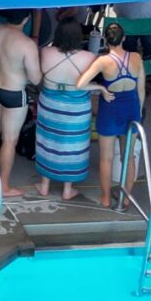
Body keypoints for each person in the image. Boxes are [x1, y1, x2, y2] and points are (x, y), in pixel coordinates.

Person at [75, 20, 143, 209]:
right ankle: (127, 197)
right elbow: (142, 90)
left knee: (106, 158)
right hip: (131, 109)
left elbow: (80, 84)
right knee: (128, 156)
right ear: (125, 39)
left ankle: (105, 198)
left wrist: (100, 88)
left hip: (110, 109)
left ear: (105, 40)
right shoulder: (136, 58)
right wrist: (139, 112)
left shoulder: (103, 61)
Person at [32, 15, 97, 201]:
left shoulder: (46, 52)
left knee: (47, 141)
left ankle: (44, 185)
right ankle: (67, 189)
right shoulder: (89, 57)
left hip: (50, 105)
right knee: (73, 145)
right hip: (77, 107)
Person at [0, 13, 41, 195]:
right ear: (26, 18)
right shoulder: (27, 44)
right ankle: (3, 186)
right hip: (13, 91)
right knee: (10, 140)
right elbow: (36, 79)